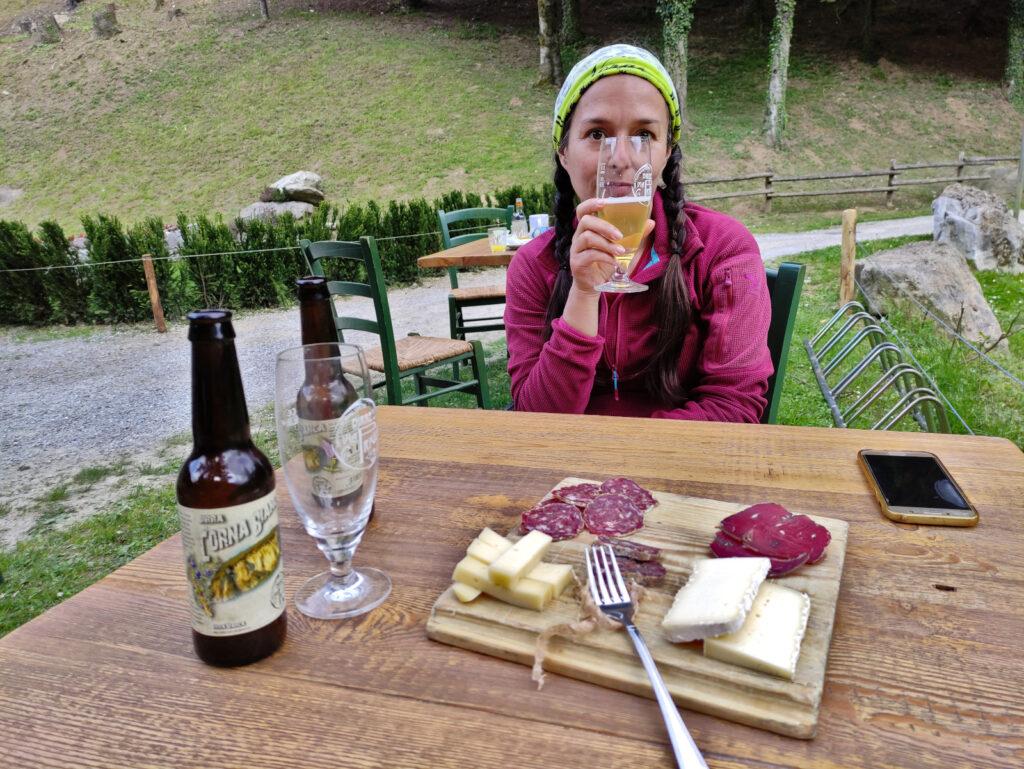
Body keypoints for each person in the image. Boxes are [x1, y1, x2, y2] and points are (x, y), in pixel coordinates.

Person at [504, 44, 772, 422]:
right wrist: (583, 293)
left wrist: (621, 454)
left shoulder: (722, 247)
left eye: (644, 135)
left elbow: (735, 405)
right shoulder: (533, 266)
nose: (621, 159)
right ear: (563, 153)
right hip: (567, 470)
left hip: (680, 469)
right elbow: (536, 418)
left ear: (666, 152)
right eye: (597, 133)